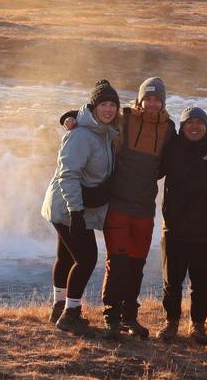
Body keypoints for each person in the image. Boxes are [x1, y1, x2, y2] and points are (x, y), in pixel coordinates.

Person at [61, 77, 175, 339]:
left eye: (158, 99)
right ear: (140, 99)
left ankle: (130, 317)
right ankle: (111, 317)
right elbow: (94, 117)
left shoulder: (169, 129)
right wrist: (69, 118)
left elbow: (180, 153)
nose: (153, 103)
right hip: (118, 205)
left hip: (145, 208)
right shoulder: (124, 117)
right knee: (118, 262)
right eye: (148, 98)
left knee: (137, 264)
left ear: (163, 102)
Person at [41, 79, 121, 337]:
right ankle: (70, 315)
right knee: (86, 259)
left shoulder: (104, 131)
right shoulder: (81, 135)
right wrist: (75, 211)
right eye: (103, 104)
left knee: (66, 257)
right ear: (94, 107)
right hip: (68, 206)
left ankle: (59, 307)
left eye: (113, 104)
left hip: (71, 205)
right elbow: (68, 175)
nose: (108, 109)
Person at [157, 106, 207, 344]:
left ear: (206, 126)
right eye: (189, 122)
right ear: (182, 126)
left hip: (205, 232)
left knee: (200, 285)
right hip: (174, 229)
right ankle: (171, 322)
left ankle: (198, 326)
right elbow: (148, 165)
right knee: (172, 282)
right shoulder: (171, 148)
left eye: (199, 122)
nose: (194, 126)